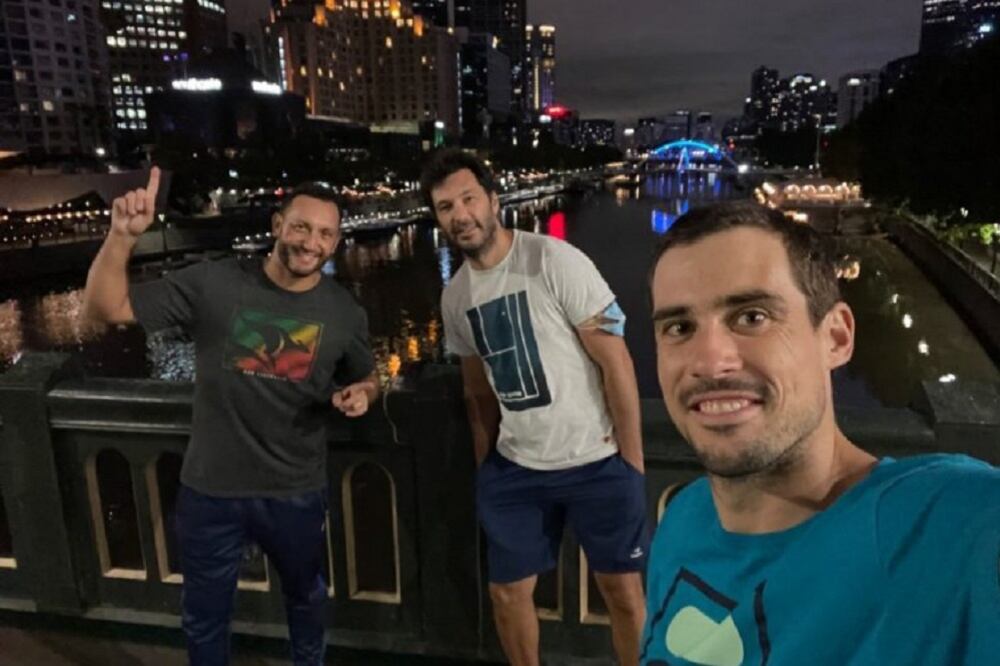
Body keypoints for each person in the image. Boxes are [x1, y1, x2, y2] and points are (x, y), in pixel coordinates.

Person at [642, 201, 1000, 665]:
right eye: (679, 327)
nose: (709, 361)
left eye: (752, 317)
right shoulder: (681, 518)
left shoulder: (950, 528)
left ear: (835, 337)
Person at [82, 168, 378, 665]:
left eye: (326, 233)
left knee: (306, 601)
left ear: (336, 241)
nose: (312, 243)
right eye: (302, 227)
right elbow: (105, 307)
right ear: (278, 224)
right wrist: (121, 237)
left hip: (295, 492)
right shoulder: (215, 282)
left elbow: (367, 374)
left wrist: (364, 392)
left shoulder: (343, 311)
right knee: (204, 615)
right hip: (211, 490)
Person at [421, 149, 648, 666]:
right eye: (444, 207)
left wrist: (632, 464)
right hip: (516, 469)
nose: (460, 215)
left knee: (623, 594)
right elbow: (476, 392)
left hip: (595, 461)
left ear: (493, 200)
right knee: (507, 595)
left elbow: (616, 361)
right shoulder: (456, 298)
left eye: (468, 198)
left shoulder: (553, 260)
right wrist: (486, 468)